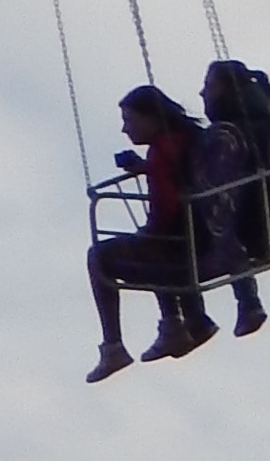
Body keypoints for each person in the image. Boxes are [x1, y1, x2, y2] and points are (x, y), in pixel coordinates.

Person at [88, 84, 213, 379]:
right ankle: (180, 323)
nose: (124, 129)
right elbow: (176, 175)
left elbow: (167, 203)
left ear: (151, 119)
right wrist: (146, 168)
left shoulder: (162, 151)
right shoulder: (184, 141)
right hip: (197, 234)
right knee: (150, 247)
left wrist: (151, 232)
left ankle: (113, 347)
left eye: (129, 120)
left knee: (99, 258)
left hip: (179, 241)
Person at [192, 57, 270, 335]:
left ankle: (191, 319)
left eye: (209, 86)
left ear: (227, 89)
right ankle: (242, 304)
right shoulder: (266, 123)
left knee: (190, 229)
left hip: (249, 217)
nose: (202, 93)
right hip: (267, 210)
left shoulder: (232, 135)